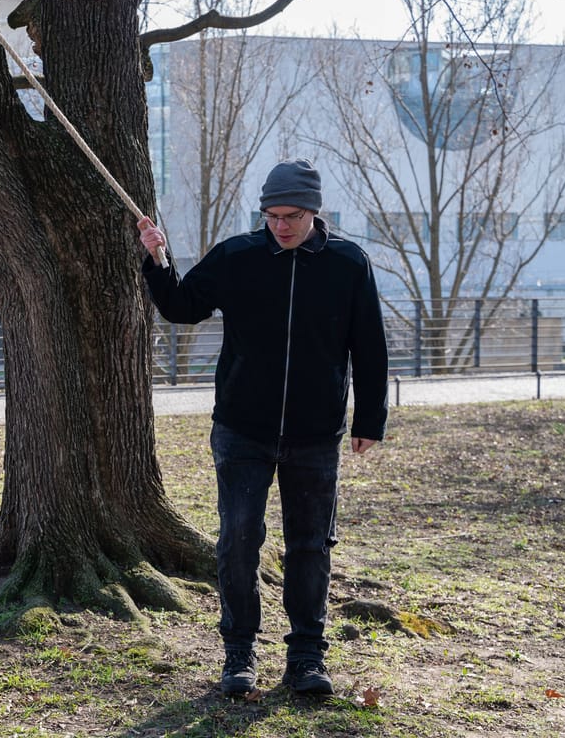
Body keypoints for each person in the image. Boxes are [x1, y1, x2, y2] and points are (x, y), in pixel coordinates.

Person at [136, 158, 388, 697]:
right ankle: (239, 655)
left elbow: (370, 346)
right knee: (238, 539)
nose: (280, 225)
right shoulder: (237, 256)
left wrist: (371, 418)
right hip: (242, 429)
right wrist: (156, 259)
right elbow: (183, 307)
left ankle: (305, 659)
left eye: (292, 215)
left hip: (316, 434)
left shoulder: (349, 263)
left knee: (310, 545)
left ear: (314, 212)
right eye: (271, 215)